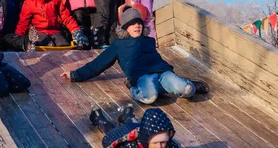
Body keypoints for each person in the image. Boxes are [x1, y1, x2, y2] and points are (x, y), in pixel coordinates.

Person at [61, 8, 209, 104]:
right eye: (132, 24)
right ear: (125, 28)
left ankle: (186, 84)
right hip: (143, 77)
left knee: (188, 90)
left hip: (163, 74)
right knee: (148, 98)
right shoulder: (119, 44)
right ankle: (133, 86)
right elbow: (98, 64)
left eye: (139, 23)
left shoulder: (148, 41)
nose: (137, 26)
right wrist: (75, 75)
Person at [90, 106, 180, 148]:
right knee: (110, 129)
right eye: (155, 142)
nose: (159, 146)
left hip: (138, 129)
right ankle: (99, 119)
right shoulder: (131, 147)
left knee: (135, 124)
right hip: (119, 134)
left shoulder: (170, 147)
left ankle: (127, 116)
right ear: (145, 140)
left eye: (163, 142)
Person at [14, 0, 88, 48]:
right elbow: (23, 22)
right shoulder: (29, 3)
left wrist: (76, 30)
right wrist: (18, 37)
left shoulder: (56, 0)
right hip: (39, 32)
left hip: (55, 31)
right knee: (46, 45)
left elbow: (66, 17)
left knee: (63, 44)